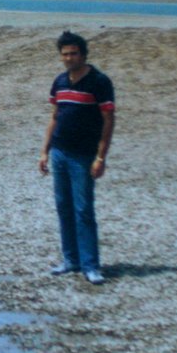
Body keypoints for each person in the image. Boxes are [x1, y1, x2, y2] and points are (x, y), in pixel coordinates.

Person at [38, 31, 115, 285]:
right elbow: (54, 117)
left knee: (83, 211)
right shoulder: (60, 81)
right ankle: (71, 260)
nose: (69, 58)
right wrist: (44, 152)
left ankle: (91, 266)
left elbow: (108, 120)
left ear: (83, 55)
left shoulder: (99, 82)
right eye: (65, 54)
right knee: (64, 208)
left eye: (73, 53)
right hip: (59, 152)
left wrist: (101, 157)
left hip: (83, 156)